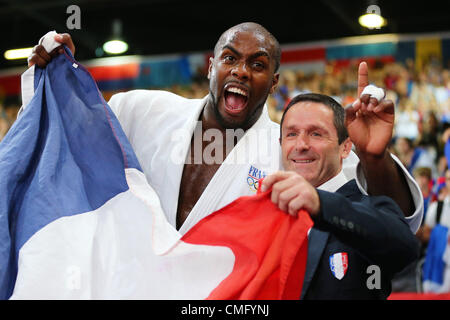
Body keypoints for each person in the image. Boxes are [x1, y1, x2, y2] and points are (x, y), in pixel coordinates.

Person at [27, 22, 422, 235]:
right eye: (230, 59)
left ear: (274, 82)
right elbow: (66, 144)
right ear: (211, 67)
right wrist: (55, 76)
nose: (241, 71)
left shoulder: (294, 149)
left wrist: (374, 156)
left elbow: (394, 219)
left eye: (257, 64)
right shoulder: (141, 110)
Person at [261, 93, 419, 299]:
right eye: (291, 134)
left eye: (316, 134)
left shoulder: (367, 207)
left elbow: (404, 248)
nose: (301, 145)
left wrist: (321, 204)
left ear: (345, 147)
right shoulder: (268, 211)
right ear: (281, 144)